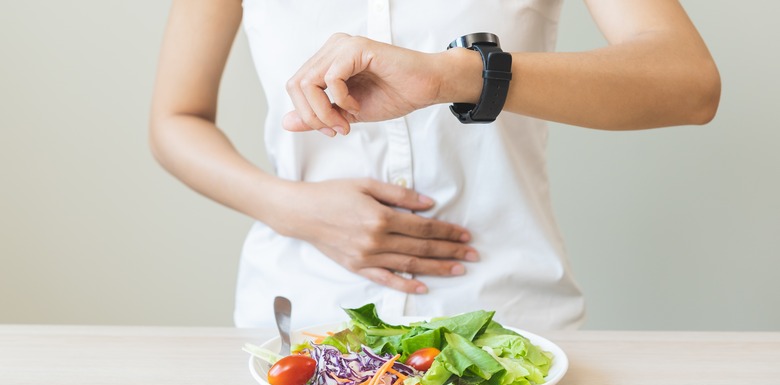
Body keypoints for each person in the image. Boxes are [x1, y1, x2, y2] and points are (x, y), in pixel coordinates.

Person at [149, 0, 720, 330]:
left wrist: (456, 75)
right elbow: (175, 119)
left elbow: (688, 82)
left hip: (507, 320)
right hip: (301, 318)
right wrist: (293, 209)